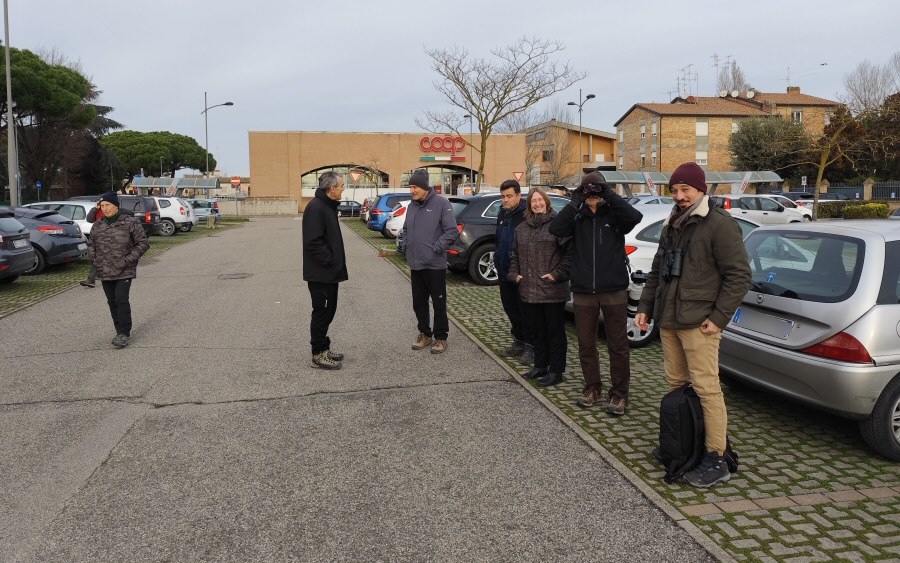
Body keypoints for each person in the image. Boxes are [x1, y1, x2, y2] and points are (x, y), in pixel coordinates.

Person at [635, 162, 751, 489]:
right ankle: (685, 443)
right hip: (670, 320)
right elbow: (658, 271)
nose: (679, 195)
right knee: (677, 384)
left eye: (685, 189)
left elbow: (739, 276)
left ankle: (716, 457)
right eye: (674, 190)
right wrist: (645, 307)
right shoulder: (673, 222)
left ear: (701, 189)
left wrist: (718, 319)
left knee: (706, 389)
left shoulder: (719, 224)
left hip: (700, 324)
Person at [549, 173, 643, 416]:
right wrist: (574, 201)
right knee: (586, 344)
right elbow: (555, 228)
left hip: (613, 288)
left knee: (618, 344)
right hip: (583, 290)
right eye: (588, 190)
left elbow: (636, 216)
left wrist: (609, 194)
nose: (592, 193)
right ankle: (592, 388)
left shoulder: (614, 214)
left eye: (596, 189)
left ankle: (619, 394)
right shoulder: (577, 216)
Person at [508, 187, 570, 387]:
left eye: (540, 200)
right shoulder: (522, 228)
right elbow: (515, 255)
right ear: (529, 205)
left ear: (546, 202)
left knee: (555, 332)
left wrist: (556, 274)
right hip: (529, 291)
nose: (537, 204)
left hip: (552, 290)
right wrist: (514, 274)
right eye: (533, 201)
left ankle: (556, 370)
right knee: (537, 332)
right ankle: (541, 365)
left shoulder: (558, 225)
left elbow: (570, 255)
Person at [401, 168, 458, 354]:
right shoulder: (411, 206)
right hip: (416, 263)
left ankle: (441, 337)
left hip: (435, 265)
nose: (412, 191)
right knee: (419, 302)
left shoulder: (442, 204)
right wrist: (407, 246)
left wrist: (435, 248)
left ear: (425, 187)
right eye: (410, 187)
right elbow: (407, 229)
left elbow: (451, 231)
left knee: (439, 302)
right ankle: (425, 334)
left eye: (415, 187)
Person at [87, 191, 150, 348]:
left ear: (116, 205)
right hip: (104, 270)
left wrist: (127, 260)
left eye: (108, 205)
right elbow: (91, 244)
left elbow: (143, 243)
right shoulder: (98, 224)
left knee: (121, 299)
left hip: (124, 270)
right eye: (102, 206)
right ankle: (118, 331)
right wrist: (94, 259)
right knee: (112, 301)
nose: (105, 208)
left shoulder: (130, 222)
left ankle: (124, 333)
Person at [302, 171, 349, 370]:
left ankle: (324, 347)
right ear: (332, 188)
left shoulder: (327, 206)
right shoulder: (316, 208)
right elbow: (313, 243)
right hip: (321, 273)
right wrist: (330, 261)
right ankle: (318, 354)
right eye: (341, 186)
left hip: (329, 273)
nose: (343, 189)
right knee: (322, 313)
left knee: (329, 311)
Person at [495, 179, 534, 365]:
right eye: (503, 196)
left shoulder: (527, 215)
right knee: (511, 309)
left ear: (519, 195)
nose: (505, 200)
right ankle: (518, 342)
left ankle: (530, 346)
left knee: (525, 312)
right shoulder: (502, 213)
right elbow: (499, 240)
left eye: (509, 196)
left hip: (521, 274)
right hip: (504, 272)